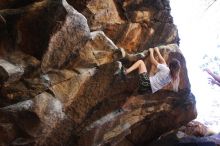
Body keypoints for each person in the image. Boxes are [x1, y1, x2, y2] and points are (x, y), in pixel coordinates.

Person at [116, 47, 181, 93]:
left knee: (140, 62)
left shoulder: (166, 70)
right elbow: (163, 62)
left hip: (146, 83)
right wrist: (157, 51)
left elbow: (152, 61)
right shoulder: (170, 77)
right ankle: (125, 72)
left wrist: (151, 52)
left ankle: (125, 72)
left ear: (171, 65)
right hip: (149, 90)